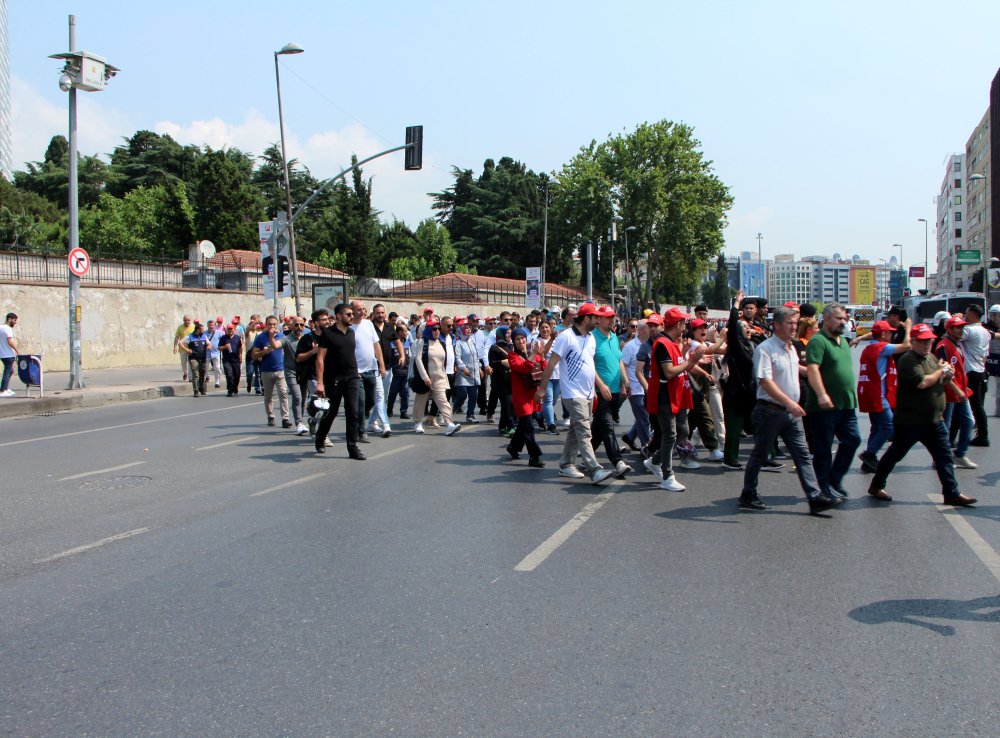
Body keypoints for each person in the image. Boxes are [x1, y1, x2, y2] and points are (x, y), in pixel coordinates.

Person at [737, 305, 840, 514]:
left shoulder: (791, 348)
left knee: (802, 454)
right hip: (769, 411)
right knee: (760, 454)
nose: (794, 327)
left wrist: (818, 376)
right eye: (789, 323)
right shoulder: (765, 349)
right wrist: (790, 402)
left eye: (795, 323)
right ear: (776, 325)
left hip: (791, 414)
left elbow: (798, 369)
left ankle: (814, 496)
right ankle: (748, 493)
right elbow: (765, 381)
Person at [867, 323, 976, 506]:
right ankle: (876, 485)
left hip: (934, 420)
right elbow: (922, 383)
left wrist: (955, 388)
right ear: (914, 341)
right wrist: (941, 371)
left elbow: (942, 378)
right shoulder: (908, 360)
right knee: (894, 455)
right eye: (923, 341)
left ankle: (952, 493)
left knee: (944, 457)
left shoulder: (931, 358)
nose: (927, 344)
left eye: (930, 340)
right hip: (911, 421)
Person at [533, 303, 613, 485]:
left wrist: (596, 389)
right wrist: (542, 388)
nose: (599, 320)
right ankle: (594, 469)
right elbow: (551, 363)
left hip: (587, 393)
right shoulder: (566, 337)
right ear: (587, 318)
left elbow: (589, 366)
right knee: (585, 432)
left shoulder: (591, 338)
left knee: (575, 430)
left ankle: (566, 464)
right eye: (596, 317)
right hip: (572, 394)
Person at [805, 303, 861, 499]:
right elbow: (812, 369)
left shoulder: (843, 341)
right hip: (823, 407)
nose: (843, 322)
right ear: (827, 319)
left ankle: (834, 478)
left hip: (846, 405)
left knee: (853, 440)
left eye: (845, 319)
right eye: (839, 318)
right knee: (823, 450)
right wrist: (821, 394)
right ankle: (823, 488)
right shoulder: (818, 341)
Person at [644, 307, 704, 491]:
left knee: (673, 434)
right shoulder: (663, 344)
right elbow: (669, 372)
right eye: (684, 323)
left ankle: (655, 462)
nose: (685, 326)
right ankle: (667, 475)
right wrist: (690, 361)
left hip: (673, 395)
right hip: (664, 396)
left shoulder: (671, 343)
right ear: (678, 324)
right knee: (670, 435)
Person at [856, 319, 911, 473]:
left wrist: (860, 338)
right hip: (878, 394)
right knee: (889, 427)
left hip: (869, 392)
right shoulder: (882, 347)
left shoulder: (869, 347)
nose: (892, 336)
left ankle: (868, 462)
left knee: (877, 427)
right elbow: (907, 346)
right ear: (884, 334)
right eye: (891, 333)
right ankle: (869, 454)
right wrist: (908, 329)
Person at [314, 303, 365, 460]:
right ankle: (320, 437)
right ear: (338, 316)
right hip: (334, 379)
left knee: (353, 412)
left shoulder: (351, 332)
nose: (352, 317)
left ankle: (352, 447)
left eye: (352, 314)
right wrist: (320, 382)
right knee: (331, 413)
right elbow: (320, 358)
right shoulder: (328, 334)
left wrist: (357, 373)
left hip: (352, 378)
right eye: (348, 314)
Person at [721, 291, 760, 471]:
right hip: (736, 393)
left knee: (759, 425)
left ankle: (766, 457)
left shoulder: (750, 344)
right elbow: (733, 321)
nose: (748, 329)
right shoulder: (736, 346)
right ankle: (730, 458)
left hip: (749, 393)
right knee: (735, 429)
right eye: (744, 327)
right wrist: (737, 303)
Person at [591, 305, 632, 477]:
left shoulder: (614, 337)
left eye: (612, 317)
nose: (611, 320)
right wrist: (598, 386)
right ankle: (618, 462)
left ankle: (587, 456)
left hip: (615, 391)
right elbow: (588, 365)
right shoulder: (592, 338)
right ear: (598, 319)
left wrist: (625, 382)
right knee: (608, 427)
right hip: (600, 391)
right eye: (607, 317)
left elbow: (619, 361)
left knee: (599, 429)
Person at [936, 315, 977, 468]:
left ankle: (960, 454)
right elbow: (943, 370)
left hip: (961, 391)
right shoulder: (943, 346)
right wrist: (955, 389)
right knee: (945, 426)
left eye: (962, 327)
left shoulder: (957, 344)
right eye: (958, 327)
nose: (961, 330)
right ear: (950, 329)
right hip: (949, 392)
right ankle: (941, 457)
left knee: (969, 421)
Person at [503, 327, 546, 468]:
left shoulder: (531, 352)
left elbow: (543, 367)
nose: (521, 341)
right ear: (514, 342)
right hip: (521, 396)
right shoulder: (512, 356)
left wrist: (542, 355)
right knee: (528, 427)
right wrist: (534, 355)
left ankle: (513, 447)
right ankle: (535, 456)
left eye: (522, 338)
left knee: (524, 425)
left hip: (532, 394)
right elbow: (522, 368)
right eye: (517, 339)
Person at [410, 320, 462, 436]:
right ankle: (418, 423)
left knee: (443, 401)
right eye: (434, 329)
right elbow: (418, 360)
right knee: (421, 400)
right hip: (426, 378)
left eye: (438, 329)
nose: (437, 331)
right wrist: (425, 377)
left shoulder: (441, 343)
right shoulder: (422, 342)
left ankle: (449, 424)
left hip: (439, 378)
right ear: (429, 330)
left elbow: (443, 362)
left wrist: (444, 377)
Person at [350, 300, 390, 441]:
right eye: (359, 309)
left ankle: (363, 421)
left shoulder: (368, 324)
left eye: (364, 309)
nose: (362, 312)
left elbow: (376, 345)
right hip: (357, 372)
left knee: (371, 400)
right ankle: (361, 431)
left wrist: (381, 365)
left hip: (372, 369)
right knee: (360, 402)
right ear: (352, 311)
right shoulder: (348, 327)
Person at [251, 315, 291, 428]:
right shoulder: (260, 338)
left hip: (280, 370)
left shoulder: (282, 336)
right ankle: (271, 416)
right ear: (266, 325)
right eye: (270, 324)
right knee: (268, 396)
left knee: (283, 393)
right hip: (266, 371)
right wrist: (265, 351)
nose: (272, 326)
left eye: (274, 324)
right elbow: (254, 355)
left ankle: (285, 418)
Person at [960, 303, 991, 446]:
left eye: (967, 313)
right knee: (978, 406)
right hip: (980, 370)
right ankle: (982, 434)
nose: (965, 315)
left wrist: (957, 321)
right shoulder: (985, 331)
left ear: (973, 314)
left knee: (970, 405)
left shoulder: (968, 330)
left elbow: (953, 335)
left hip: (970, 371)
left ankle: (979, 436)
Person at [621, 320, 651, 452]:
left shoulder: (652, 344)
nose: (652, 330)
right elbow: (623, 366)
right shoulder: (630, 346)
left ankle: (630, 436)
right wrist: (625, 385)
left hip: (648, 387)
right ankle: (647, 447)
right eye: (649, 327)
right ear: (641, 330)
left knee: (646, 416)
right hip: (635, 388)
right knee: (644, 417)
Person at [792, 315, 818, 451]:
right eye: (816, 328)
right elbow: (793, 362)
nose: (818, 330)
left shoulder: (817, 343)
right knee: (806, 416)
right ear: (808, 330)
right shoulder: (797, 343)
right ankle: (810, 445)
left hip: (814, 383)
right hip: (801, 383)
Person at [281, 317, 309, 435]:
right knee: (297, 396)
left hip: (304, 372)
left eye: (301, 325)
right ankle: (299, 423)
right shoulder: (286, 339)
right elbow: (277, 344)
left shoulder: (306, 338)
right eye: (296, 325)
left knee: (302, 398)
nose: (299, 327)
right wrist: (272, 339)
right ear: (292, 326)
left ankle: (301, 421)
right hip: (291, 371)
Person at [489, 324, 516, 436]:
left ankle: (502, 426)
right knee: (507, 403)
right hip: (499, 380)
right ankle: (510, 426)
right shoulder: (495, 348)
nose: (509, 335)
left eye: (510, 332)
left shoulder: (512, 346)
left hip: (510, 379)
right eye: (507, 333)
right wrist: (501, 362)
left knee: (508, 404)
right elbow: (491, 363)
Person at [452, 318, 482, 423]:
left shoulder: (471, 341)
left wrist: (479, 367)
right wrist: (463, 367)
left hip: (473, 374)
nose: (469, 330)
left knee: (474, 396)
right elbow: (457, 357)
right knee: (462, 395)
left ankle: (470, 415)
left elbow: (476, 356)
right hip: (463, 373)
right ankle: (453, 409)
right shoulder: (458, 343)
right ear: (460, 329)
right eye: (466, 328)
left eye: (469, 328)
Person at [386, 322, 412, 420]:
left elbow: (409, 356)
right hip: (394, 373)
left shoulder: (407, 342)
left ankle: (403, 412)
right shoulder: (392, 343)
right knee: (393, 393)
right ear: (400, 332)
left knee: (405, 393)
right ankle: (389, 409)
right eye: (405, 331)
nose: (407, 333)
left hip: (405, 372)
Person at [178, 321, 209, 396]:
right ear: (197, 330)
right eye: (202, 330)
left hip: (203, 358)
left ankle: (201, 388)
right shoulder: (190, 337)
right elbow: (180, 343)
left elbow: (209, 344)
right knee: (196, 374)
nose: (203, 331)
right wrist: (187, 350)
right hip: (194, 358)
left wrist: (208, 347)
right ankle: (196, 391)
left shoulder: (204, 336)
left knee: (203, 373)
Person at [218, 322, 243, 396]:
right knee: (229, 375)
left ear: (233, 329)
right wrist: (225, 347)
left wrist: (240, 355)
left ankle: (235, 387)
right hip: (227, 360)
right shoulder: (223, 338)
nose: (230, 330)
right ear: (226, 330)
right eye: (228, 329)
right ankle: (230, 390)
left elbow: (240, 347)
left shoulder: (237, 337)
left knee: (237, 375)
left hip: (236, 359)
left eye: (231, 329)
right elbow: (219, 348)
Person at [987, 304, 1000, 417]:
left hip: (999, 359)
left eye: (998, 316)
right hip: (987, 358)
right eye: (994, 315)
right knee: (983, 386)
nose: (996, 318)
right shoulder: (985, 326)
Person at [0, 312, 17, 397]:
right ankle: (3, 390)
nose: (15, 322)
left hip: (2, 354)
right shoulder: (8, 329)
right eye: (14, 320)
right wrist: (18, 351)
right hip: (8, 354)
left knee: (10, 371)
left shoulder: (0, 327)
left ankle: (6, 388)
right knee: (7, 372)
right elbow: (10, 341)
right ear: (9, 319)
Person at [173, 315, 194, 381]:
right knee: (183, 363)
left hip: (191, 348)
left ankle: (190, 377)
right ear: (183, 320)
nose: (186, 322)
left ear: (190, 321)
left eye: (188, 320)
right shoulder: (180, 327)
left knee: (191, 362)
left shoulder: (193, 327)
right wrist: (175, 346)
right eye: (185, 320)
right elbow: (177, 337)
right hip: (182, 348)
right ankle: (185, 373)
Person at [204, 318, 223, 389]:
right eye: (209, 325)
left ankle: (217, 382)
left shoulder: (219, 333)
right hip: (207, 353)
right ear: (207, 326)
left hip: (216, 353)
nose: (210, 327)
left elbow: (223, 341)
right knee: (205, 367)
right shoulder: (204, 333)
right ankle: (206, 377)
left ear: (214, 325)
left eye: (212, 325)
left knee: (217, 368)